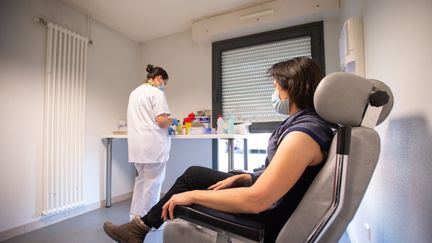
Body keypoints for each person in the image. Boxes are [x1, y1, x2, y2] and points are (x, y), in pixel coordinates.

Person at [103, 57, 335, 243]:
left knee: (183, 188)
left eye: (276, 88)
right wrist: (248, 176)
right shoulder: (303, 123)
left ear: (293, 88)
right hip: (267, 193)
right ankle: (139, 227)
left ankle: (139, 228)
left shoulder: (303, 134)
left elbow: (258, 201)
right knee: (194, 174)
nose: (274, 95)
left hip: (268, 215)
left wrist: (190, 196)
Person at [127, 64, 172, 220]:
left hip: (137, 146)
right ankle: (148, 221)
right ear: (159, 78)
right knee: (152, 184)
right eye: (164, 83)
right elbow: (161, 121)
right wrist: (171, 121)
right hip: (153, 146)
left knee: (141, 181)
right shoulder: (156, 93)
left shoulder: (134, 93)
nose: (163, 87)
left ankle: (135, 217)